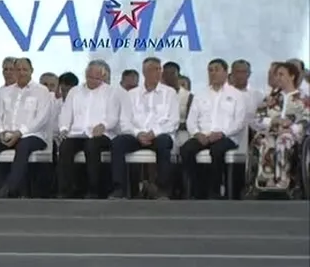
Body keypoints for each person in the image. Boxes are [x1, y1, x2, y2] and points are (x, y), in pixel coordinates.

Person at [0, 57, 51, 198]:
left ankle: (9, 188)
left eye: (25, 69)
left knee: (23, 146)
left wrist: (20, 132)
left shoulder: (42, 91)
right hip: (7, 134)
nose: (21, 73)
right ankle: (4, 186)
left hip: (33, 135)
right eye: (18, 70)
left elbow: (42, 119)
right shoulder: (6, 91)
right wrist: (0, 132)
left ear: (31, 71)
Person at [110, 57, 179, 199]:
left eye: (159, 69)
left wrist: (154, 132)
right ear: (145, 72)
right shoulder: (131, 94)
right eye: (154, 69)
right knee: (117, 143)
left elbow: (174, 121)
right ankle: (119, 188)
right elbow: (125, 121)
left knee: (165, 142)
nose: (158, 72)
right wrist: (138, 133)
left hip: (158, 135)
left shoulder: (170, 93)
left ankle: (162, 189)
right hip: (137, 136)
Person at [180, 59, 248, 199]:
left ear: (226, 72)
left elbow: (240, 122)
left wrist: (222, 133)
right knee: (186, 149)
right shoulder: (200, 94)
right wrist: (197, 134)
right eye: (210, 70)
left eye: (217, 70)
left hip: (227, 136)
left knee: (216, 150)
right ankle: (197, 190)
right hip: (203, 135)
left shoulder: (237, 95)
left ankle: (215, 191)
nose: (213, 73)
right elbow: (191, 120)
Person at [56, 60, 120, 199]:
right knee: (65, 146)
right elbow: (66, 112)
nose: (92, 81)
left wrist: (103, 125)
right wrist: (64, 128)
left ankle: (93, 189)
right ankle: (65, 190)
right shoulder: (75, 91)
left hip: (101, 134)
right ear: (85, 75)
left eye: (97, 78)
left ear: (103, 77)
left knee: (92, 146)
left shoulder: (111, 92)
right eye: (90, 77)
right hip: (77, 133)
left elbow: (113, 116)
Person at [245, 61, 309, 196]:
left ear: (292, 76)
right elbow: (257, 119)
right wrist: (273, 121)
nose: (278, 78)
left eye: (281, 74)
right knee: (265, 141)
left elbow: (307, 119)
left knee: (283, 140)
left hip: (293, 134)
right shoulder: (271, 99)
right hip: (271, 132)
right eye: (277, 75)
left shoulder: (303, 98)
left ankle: (283, 181)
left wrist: (291, 128)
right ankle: (265, 181)